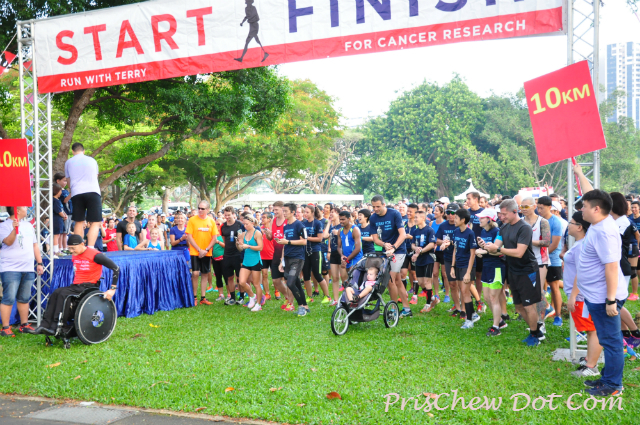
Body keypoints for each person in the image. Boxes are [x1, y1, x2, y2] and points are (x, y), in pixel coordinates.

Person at [484, 199, 544, 346]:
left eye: (504, 214)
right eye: (500, 214)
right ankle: (536, 331)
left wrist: (498, 249)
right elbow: (496, 247)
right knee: (519, 307)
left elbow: (519, 252)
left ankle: (534, 334)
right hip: (513, 271)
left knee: (529, 306)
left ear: (515, 212)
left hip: (527, 270)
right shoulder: (503, 228)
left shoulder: (524, 228)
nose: (501, 217)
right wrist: (486, 247)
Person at [33, 235, 119, 336]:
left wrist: (112, 289)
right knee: (56, 293)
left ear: (82, 244)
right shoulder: (76, 254)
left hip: (89, 286)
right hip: (77, 285)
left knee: (63, 295)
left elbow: (116, 268)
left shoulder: (95, 255)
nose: (71, 251)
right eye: (69, 248)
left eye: (73, 248)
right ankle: (45, 325)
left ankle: (57, 326)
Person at [565, 212, 602, 377]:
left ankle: (591, 366)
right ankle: (589, 359)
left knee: (592, 330)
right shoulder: (580, 244)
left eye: (571, 223)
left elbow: (582, 273)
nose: (568, 225)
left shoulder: (582, 246)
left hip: (581, 296)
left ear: (580, 227)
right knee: (590, 329)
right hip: (580, 295)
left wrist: (573, 295)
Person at [0, 207, 44, 337]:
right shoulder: (4, 226)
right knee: (8, 297)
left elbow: (34, 245)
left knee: (24, 298)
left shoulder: (29, 225)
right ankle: (5, 328)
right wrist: (15, 229)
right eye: (24, 207)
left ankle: (24, 325)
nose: (27, 209)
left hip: (28, 267)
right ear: (17, 210)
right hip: (10, 268)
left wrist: (39, 263)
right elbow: (8, 242)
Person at [370, 195, 412, 318]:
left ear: (384, 204)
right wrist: (384, 244)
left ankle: (393, 309)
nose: (376, 209)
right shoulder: (373, 218)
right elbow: (375, 239)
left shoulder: (395, 214)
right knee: (397, 280)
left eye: (378, 206)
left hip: (398, 251)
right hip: (386, 251)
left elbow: (403, 234)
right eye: (373, 207)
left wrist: (393, 247)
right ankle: (406, 309)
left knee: (390, 279)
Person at [475, 209, 508, 336]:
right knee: (487, 298)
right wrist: (481, 248)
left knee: (494, 298)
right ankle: (500, 321)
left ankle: (496, 327)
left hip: (497, 267)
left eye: (482, 217)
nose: (479, 219)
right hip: (487, 266)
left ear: (489, 219)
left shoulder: (497, 231)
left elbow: (500, 251)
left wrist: (483, 251)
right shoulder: (484, 231)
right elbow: (487, 248)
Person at [64, 143, 102, 248]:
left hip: (76, 193)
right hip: (93, 191)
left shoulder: (68, 162)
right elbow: (96, 176)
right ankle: (90, 247)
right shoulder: (92, 160)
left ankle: (78, 247)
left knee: (79, 221)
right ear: (83, 151)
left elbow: (68, 181)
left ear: (72, 151)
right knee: (95, 221)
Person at [520, 196, 551, 323]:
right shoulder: (520, 222)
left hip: (540, 260)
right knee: (529, 291)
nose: (523, 209)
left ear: (534, 206)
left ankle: (541, 322)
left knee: (538, 291)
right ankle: (537, 317)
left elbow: (547, 242)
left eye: (526, 206)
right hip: (525, 261)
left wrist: (528, 241)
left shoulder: (542, 222)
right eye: (521, 206)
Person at [275, 203, 309, 316]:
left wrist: (288, 242)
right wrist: (282, 261)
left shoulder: (299, 225)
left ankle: (301, 307)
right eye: (283, 211)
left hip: (297, 258)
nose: (283, 213)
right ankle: (305, 306)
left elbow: (304, 241)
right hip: (287, 258)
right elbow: (285, 245)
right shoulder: (286, 226)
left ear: (293, 212)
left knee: (290, 283)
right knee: (297, 283)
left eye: (286, 211)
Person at [536, 196, 564, 326]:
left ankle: (558, 316)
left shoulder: (556, 222)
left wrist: (543, 255)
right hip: (539, 258)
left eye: (542, 208)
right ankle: (545, 310)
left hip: (553, 259)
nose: (539, 210)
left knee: (554, 288)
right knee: (537, 287)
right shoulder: (538, 220)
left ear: (549, 207)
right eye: (538, 207)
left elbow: (555, 244)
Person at [186, 201, 218, 307]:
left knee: (205, 274)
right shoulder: (192, 220)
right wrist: (199, 249)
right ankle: (194, 297)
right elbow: (189, 237)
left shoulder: (211, 221)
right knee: (195, 274)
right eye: (199, 208)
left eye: (202, 208)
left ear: (207, 210)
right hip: (195, 251)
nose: (200, 210)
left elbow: (214, 238)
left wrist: (206, 250)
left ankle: (203, 297)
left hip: (206, 252)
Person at [450, 209, 479, 330]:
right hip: (458, 265)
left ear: (463, 220)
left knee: (465, 291)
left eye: (456, 218)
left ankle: (469, 320)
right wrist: (452, 266)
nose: (454, 219)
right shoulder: (456, 231)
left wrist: (468, 272)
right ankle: (473, 314)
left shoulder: (470, 233)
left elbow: (473, 254)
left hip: (467, 266)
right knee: (463, 291)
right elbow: (455, 249)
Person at [264, 201, 294, 311]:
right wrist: (268, 234)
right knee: (276, 280)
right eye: (273, 209)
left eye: (276, 209)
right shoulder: (273, 220)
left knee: (287, 280)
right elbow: (271, 238)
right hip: (276, 254)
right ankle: (287, 297)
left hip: (288, 254)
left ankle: (291, 303)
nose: (274, 212)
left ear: (282, 209)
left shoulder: (288, 220)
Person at [436, 204, 462, 317]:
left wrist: (450, 243)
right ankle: (457, 306)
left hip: (460, 257)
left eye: (453, 213)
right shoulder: (443, 225)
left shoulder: (460, 225)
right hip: (447, 257)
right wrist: (444, 242)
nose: (450, 215)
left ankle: (466, 306)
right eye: (448, 213)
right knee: (452, 284)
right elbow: (437, 240)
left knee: (462, 284)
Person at [301, 205, 331, 304]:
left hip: (315, 251)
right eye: (304, 212)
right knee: (306, 275)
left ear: (313, 213)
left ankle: (327, 296)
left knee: (318, 274)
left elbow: (320, 238)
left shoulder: (317, 223)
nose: (305, 214)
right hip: (305, 251)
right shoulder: (303, 223)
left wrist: (307, 238)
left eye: (307, 212)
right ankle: (309, 296)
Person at [410, 211, 437, 313]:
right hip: (419, 259)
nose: (415, 219)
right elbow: (412, 244)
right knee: (421, 282)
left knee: (427, 281)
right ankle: (433, 298)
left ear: (423, 218)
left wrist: (421, 251)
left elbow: (431, 244)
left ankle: (428, 304)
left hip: (428, 258)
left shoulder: (429, 230)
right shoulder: (415, 231)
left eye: (416, 217)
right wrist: (416, 249)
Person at [237, 214, 264, 312]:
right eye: (244, 224)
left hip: (255, 260)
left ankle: (258, 304)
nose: (245, 226)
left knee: (256, 284)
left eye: (247, 224)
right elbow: (240, 249)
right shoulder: (243, 234)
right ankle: (252, 296)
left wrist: (248, 246)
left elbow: (260, 247)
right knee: (241, 282)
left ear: (252, 223)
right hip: (246, 261)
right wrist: (238, 243)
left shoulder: (257, 233)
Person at [220, 206, 245, 305]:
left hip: (237, 254)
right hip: (227, 255)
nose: (227, 217)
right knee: (229, 277)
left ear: (234, 214)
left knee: (239, 277)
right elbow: (224, 240)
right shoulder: (223, 226)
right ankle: (232, 298)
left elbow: (242, 238)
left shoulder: (239, 225)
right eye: (225, 215)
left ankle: (241, 296)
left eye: (229, 215)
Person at [466, 192, 485, 313]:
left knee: (479, 275)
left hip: (480, 249)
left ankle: (478, 299)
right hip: (468, 249)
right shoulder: (466, 213)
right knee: (470, 275)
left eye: (469, 199)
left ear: (476, 199)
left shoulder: (483, 212)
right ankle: (470, 297)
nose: (467, 201)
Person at [430, 205, 450, 303]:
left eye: (437, 211)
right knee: (434, 273)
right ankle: (436, 294)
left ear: (442, 213)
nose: (434, 212)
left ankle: (447, 294)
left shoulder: (445, 224)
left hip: (444, 251)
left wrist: (441, 242)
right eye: (434, 210)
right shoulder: (431, 223)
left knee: (444, 274)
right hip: (435, 251)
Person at [53, 172, 73, 254]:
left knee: (65, 232)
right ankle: (60, 249)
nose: (66, 182)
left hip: (67, 214)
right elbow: (64, 201)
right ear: (58, 181)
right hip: (62, 215)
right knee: (61, 233)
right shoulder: (57, 197)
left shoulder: (65, 191)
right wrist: (71, 193)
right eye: (64, 180)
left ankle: (63, 248)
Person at [260, 212, 274, 301]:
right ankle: (267, 293)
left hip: (272, 255)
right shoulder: (260, 229)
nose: (262, 219)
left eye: (264, 217)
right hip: (262, 256)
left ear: (269, 219)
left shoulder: (273, 229)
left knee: (274, 276)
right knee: (264, 275)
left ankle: (277, 291)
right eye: (261, 217)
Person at [52, 183, 67, 258]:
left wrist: (64, 214)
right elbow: (58, 211)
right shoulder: (55, 200)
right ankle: (55, 251)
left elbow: (61, 210)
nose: (61, 192)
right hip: (56, 219)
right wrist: (63, 216)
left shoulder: (57, 200)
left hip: (59, 219)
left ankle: (59, 249)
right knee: (56, 235)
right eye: (60, 191)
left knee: (59, 234)